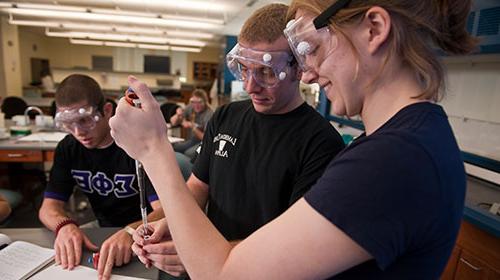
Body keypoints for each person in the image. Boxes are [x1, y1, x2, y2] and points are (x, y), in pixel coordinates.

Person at [110, 0, 475, 278]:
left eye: (312, 46)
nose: (310, 72)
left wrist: (153, 149)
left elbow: (223, 273)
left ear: (374, 29)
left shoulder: (394, 160)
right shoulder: (402, 143)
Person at [127, 3, 345, 278]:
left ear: (298, 68)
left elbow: (292, 247)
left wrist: (199, 254)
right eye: (243, 69)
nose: (251, 86)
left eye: (266, 72)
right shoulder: (226, 116)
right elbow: (196, 189)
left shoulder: (321, 143)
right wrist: (171, 224)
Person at [38, 74, 164, 280]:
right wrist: (65, 226)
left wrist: (131, 231)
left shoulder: (134, 146)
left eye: (85, 121)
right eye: (69, 124)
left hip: (147, 232)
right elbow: (48, 208)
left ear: (106, 110)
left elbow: (165, 208)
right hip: (101, 228)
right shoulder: (68, 148)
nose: (78, 132)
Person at [170, 89, 213, 160]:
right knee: (174, 148)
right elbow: (173, 122)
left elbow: (205, 138)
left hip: (204, 142)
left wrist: (192, 126)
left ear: (205, 102)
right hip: (193, 140)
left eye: (199, 102)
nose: (196, 105)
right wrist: (178, 114)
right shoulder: (191, 107)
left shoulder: (209, 114)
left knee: (189, 153)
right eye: (193, 102)